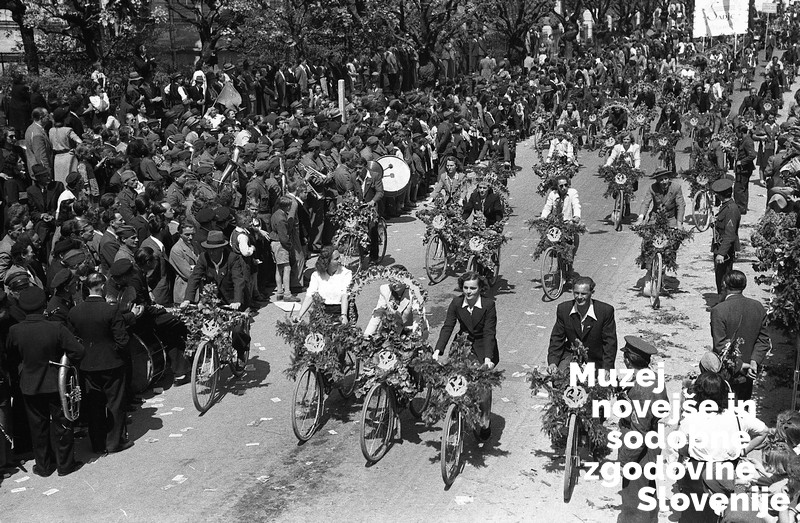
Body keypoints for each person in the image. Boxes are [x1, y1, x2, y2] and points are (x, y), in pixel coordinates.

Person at [3, 286, 85, 476]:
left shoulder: (15, 330)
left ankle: (43, 467)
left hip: (29, 384)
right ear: (44, 305)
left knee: (37, 427)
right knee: (63, 424)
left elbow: (11, 357)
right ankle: (65, 465)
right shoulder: (55, 327)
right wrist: (64, 364)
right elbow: (79, 352)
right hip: (55, 383)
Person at [673, 372, 769, 523]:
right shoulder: (737, 415)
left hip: (698, 475)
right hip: (727, 474)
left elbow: (680, 446)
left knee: (695, 514)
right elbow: (763, 431)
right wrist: (743, 450)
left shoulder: (691, 419)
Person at [68, 272, 133, 454]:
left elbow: (73, 339)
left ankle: (97, 443)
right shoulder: (110, 310)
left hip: (87, 365)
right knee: (115, 403)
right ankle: (113, 442)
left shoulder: (75, 312)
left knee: (94, 405)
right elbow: (122, 340)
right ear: (102, 287)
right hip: (112, 363)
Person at [433, 271, 497, 440]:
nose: (469, 292)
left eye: (473, 288)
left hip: (482, 347)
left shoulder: (488, 305)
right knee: (453, 378)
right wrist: (438, 350)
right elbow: (448, 326)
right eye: (466, 288)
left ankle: (485, 421)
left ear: (480, 288)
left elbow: (489, 332)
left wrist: (488, 359)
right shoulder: (456, 302)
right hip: (462, 345)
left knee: (483, 386)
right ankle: (454, 410)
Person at [617, 336, 668, 523]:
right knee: (648, 493)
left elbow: (637, 434)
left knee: (634, 500)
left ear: (627, 360)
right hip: (653, 445)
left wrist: (625, 461)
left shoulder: (641, 389)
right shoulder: (654, 378)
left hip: (639, 453)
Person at [181, 230, 250, 366]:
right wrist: (187, 299)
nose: (211, 253)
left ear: (221, 248)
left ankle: (241, 352)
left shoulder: (232, 258)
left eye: (215, 250)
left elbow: (238, 280)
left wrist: (237, 301)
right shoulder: (203, 258)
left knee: (237, 331)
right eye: (209, 249)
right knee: (201, 327)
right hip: (213, 300)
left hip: (232, 299)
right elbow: (194, 278)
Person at [710, 270, 770, 401]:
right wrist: (754, 361)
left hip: (726, 373)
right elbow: (763, 340)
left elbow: (720, 345)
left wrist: (739, 365)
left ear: (724, 284)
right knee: (744, 406)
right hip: (749, 372)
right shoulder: (758, 307)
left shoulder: (719, 310)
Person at [547, 276, 617, 371]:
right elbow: (557, 339)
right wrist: (553, 362)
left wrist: (607, 368)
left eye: (583, 294)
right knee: (559, 377)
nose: (579, 297)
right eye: (576, 293)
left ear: (592, 293)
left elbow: (610, 344)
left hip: (595, 360)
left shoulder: (605, 311)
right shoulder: (564, 309)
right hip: (571, 357)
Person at [363, 265, 428, 340]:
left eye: (397, 280)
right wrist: (367, 335)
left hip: (411, 329)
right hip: (392, 329)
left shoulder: (415, 293)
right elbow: (378, 313)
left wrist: (415, 337)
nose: (394, 284)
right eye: (391, 281)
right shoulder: (385, 290)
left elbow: (418, 318)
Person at [296, 246, 352, 324]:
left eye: (339, 257)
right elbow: (310, 295)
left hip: (340, 310)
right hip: (322, 311)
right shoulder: (316, 275)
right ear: (327, 262)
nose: (340, 260)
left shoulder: (346, 273)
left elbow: (345, 294)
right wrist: (299, 315)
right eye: (336, 259)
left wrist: (344, 315)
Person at [710, 178, 740, 295]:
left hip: (725, 250)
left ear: (720, 195)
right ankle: (721, 299)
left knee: (724, 279)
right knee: (719, 277)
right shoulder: (726, 206)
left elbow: (730, 235)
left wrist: (721, 253)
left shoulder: (731, 209)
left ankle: (723, 301)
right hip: (720, 246)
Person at [734, 125, 757, 214]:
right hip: (742, 169)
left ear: (741, 133)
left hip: (744, 169)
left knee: (739, 189)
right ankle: (742, 207)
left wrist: (742, 162)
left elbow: (752, 155)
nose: (736, 134)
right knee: (743, 188)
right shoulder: (742, 140)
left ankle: (741, 208)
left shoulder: (747, 141)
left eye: (737, 133)